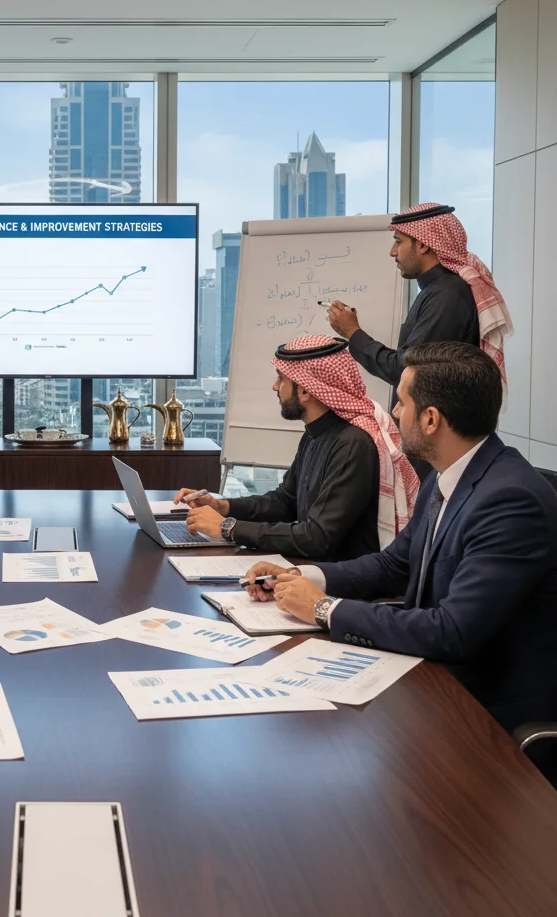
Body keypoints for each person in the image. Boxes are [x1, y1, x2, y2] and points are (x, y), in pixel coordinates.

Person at [243, 342, 557, 734]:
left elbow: (452, 631)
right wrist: (304, 577)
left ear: (430, 420)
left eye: (401, 402)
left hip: (487, 720)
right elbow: (394, 565)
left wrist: (324, 609)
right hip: (430, 685)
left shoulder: (510, 501)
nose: (392, 412)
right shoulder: (445, 475)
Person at [175, 335, 419, 560]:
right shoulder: (315, 433)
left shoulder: (353, 445)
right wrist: (223, 506)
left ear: (304, 390)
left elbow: (317, 537)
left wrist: (228, 528)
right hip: (307, 568)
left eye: (281, 378)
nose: (274, 387)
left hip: (339, 585)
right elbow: (285, 502)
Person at [327, 202, 513, 401]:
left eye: (398, 242)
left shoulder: (447, 296)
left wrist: (353, 333)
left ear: (423, 244)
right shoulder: (438, 290)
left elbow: (405, 369)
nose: (392, 252)